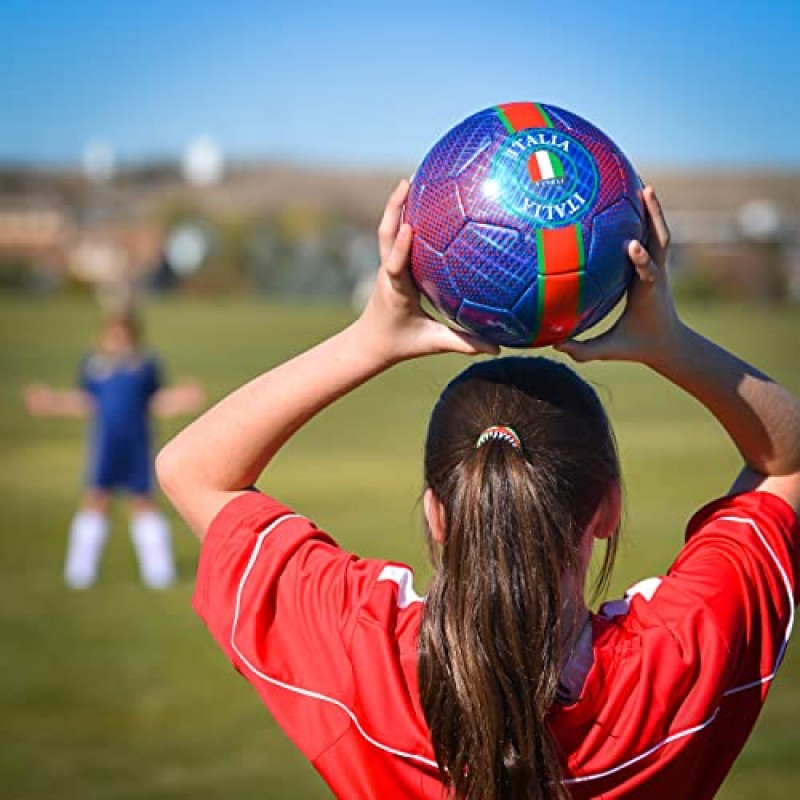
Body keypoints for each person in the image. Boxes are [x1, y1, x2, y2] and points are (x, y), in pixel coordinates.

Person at [156, 181, 800, 799]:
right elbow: (787, 465)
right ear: (608, 507)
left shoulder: (366, 655)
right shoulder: (676, 661)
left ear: (437, 513)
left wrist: (368, 341)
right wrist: (672, 344)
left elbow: (192, 470)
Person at [26, 312, 205, 589]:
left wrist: (181, 399)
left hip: (137, 443)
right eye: (112, 335)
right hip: (106, 443)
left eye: (124, 335)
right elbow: (86, 401)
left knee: (142, 501)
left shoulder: (145, 365)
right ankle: (80, 572)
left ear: (134, 336)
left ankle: (159, 573)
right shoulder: (95, 366)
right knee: (97, 499)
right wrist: (52, 402)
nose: (118, 341)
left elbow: (154, 401)